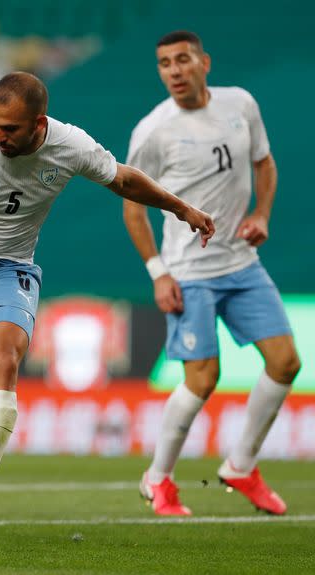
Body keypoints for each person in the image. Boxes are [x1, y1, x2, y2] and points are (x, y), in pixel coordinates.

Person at [0, 71, 214, 537]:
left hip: (8, 267)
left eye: (10, 128)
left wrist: (180, 208)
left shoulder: (70, 144)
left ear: (39, 123)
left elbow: (123, 180)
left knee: (4, 356)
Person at [124, 31, 300, 516]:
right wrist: (159, 273)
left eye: (183, 60)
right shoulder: (153, 130)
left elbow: (264, 163)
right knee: (203, 379)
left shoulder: (240, 104)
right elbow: (133, 211)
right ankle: (157, 479)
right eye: (164, 64)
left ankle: (241, 466)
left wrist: (262, 213)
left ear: (205, 62)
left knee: (285, 362)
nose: (174, 71)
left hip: (242, 262)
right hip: (188, 271)